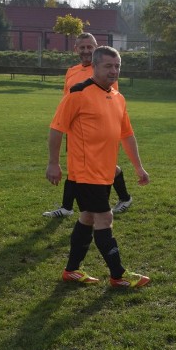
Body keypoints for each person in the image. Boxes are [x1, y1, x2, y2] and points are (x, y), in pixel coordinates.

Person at [46, 46, 151, 287]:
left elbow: (127, 135)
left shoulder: (118, 97)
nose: (114, 71)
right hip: (85, 172)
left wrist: (138, 168)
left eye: (117, 66)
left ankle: (71, 270)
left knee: (88, 218)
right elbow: (56, 128)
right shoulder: (78, 94)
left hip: (105, 172)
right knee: (105, 217)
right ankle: (118, 275)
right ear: (94, 66)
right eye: (108, 66)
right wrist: (53, 163)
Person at [42, 33, 134, 218]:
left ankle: (124, 197)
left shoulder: (104, 71)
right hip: (75, 127)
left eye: (89, 47)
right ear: (76, 49)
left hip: (96, 127)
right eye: (82, 47)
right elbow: (66, 99)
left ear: (96, 47)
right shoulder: (71, 71)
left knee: (104, 167)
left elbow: (109, 98)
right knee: (75, 166)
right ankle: (67, 207)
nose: (86, 51)